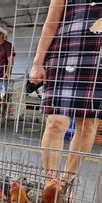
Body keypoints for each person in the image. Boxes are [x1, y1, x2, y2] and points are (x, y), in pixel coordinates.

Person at [29, 0, 100, 184]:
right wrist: (37, 63)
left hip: (98, 58)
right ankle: (50, 184)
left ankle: (66, 182)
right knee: (56, 122)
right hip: (65, 52)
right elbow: (51, 24)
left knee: (88, 124)